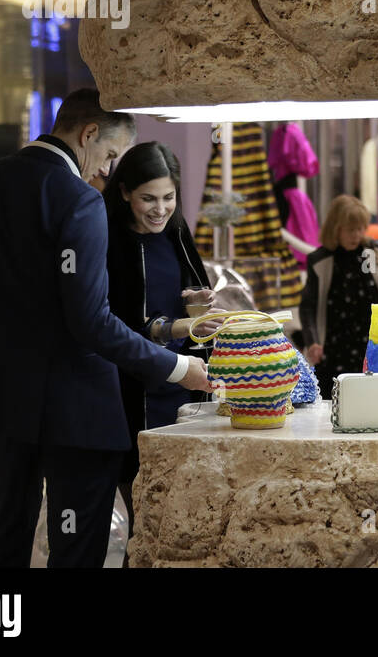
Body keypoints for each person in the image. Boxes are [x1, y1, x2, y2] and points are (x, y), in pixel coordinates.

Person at [0, 89, 214, 568]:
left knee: (8, 535)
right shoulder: (79, 199)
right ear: (89, 134)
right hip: (75, 405)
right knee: (75, 548)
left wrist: (9, 317)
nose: (107, 169)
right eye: (111, 155)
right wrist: (179, 367)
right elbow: (90, 321)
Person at [101, 141, 218, 535]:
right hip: (128, 396)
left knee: (179, 521)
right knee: (146, 522)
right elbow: (113, 324)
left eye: (168, 197)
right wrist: (175, 327)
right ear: (124, 193)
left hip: (181, 391)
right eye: (148, 198)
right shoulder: (108, 243)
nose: (160, 209)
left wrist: (197, 306)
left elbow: (185, 308)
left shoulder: (177, 233)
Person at [298, 195, 378, 399]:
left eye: (360, 228)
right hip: (334, 345)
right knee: (334, 400)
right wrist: (312, 342)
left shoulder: (375, 252)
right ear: (335, 228)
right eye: (350, 229)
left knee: (372, 398)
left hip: (371, 341)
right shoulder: (320, 260)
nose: (356, 235)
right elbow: (308, 306)